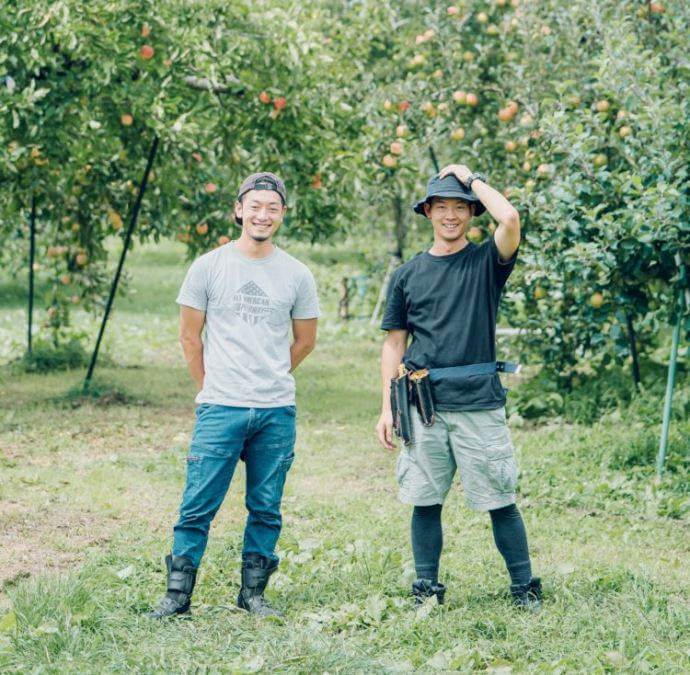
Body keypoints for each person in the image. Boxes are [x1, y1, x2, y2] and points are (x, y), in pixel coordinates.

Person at [148, 172, 320, 619]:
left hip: (275, 410)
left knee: (266, 506)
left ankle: (253, 594)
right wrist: (211, 387)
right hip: (219, 407)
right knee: (196, 504)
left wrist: (273, 372)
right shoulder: (209, 266)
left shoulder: (297, 275)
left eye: (273, 208)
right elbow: (190, 337)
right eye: (255, 206)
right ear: (239, 209)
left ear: (282, 215)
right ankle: (177, 596)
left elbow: (305, 340)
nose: (263, 214)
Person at [375, 165, 541, 610]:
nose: (451, 215)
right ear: (428, 212)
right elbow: (394, 343)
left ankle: (524, 587)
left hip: (478, 403)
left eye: (460, 207)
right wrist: (388, 406)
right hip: (423, 405)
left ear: (471, 212)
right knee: (424, 499)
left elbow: (510, 220)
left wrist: (473, 178)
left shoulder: (486, 263)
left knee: (500, 499)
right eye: (442, 207)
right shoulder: (408, 275)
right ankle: (427, 588)